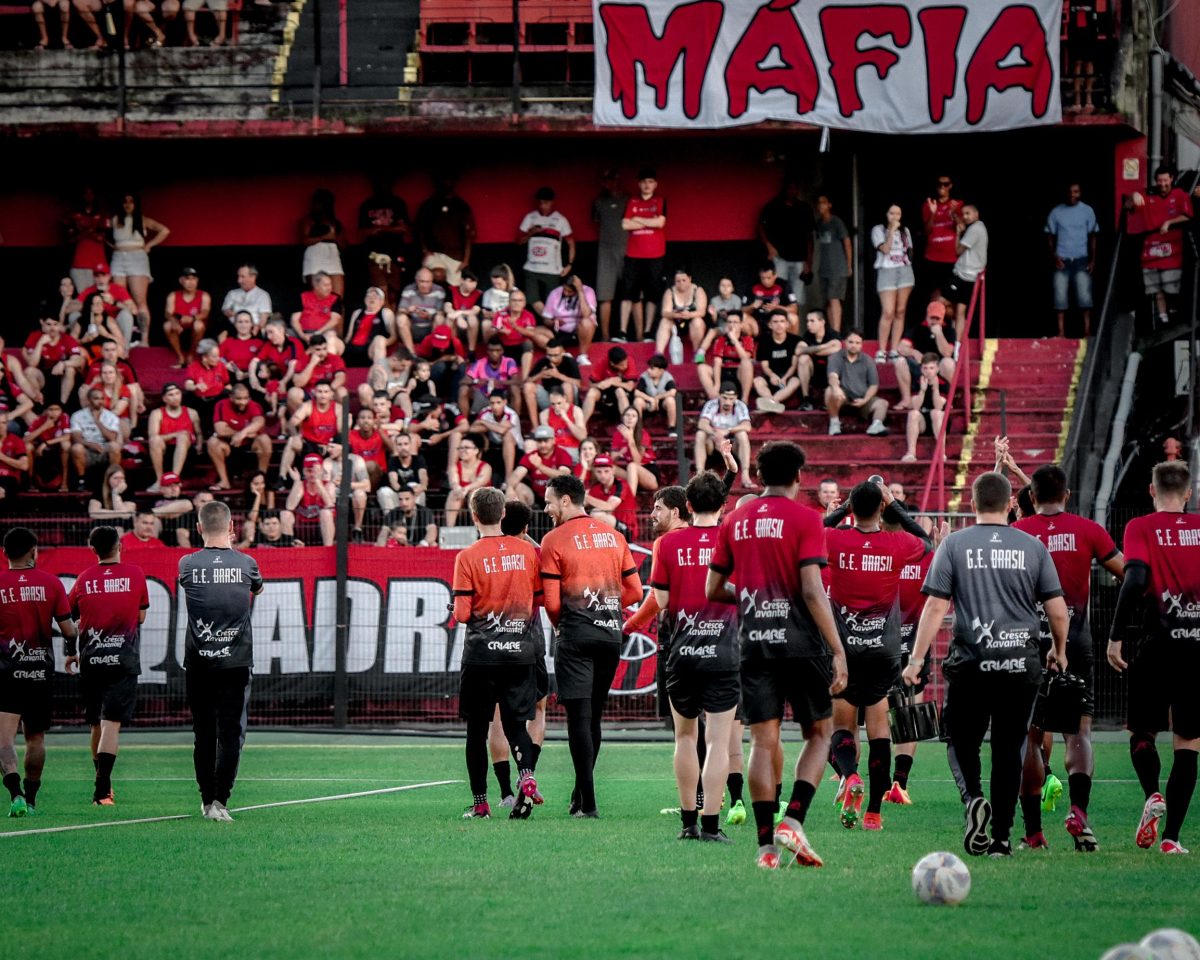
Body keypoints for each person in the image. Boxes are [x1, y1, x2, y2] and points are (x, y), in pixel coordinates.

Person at [903, 471, 1069, 858]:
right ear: (1011, 504)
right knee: (1009, 748)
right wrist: (1059, 651)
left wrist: (915, 659)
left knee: (961, 741)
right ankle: (1002, 839)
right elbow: (1057, 610)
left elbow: (935, 606)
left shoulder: (955, 545)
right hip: (1021, 664)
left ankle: (974, 799)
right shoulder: (1033, 547)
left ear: (973, 505)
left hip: (972, 663)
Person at [705, 441, 849, 869]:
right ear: (799, 476)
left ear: (761, 475)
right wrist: (838, 650)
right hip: (802, 644)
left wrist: (748, 597)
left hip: (754, 644)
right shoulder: (807, 518)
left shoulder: (735, 520)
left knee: (762, 742)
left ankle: (766, 848)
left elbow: (713, 588)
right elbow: (811, 589)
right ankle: (795, 819)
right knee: (820, 734)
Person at [1012, 463, 1124, 850]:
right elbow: (1128, 572)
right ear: (1067, 496)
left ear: (1030, 497)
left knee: (1030, 736)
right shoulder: (1088, 530)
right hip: (1075, 641)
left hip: (1028, 644)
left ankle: (1033, 833)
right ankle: (1078, 813)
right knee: (1078, 731)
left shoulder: (1018, 534)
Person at [822, 481, 930, 831]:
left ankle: (851, 775)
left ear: (852, 508)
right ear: (881, 508)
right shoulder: (896, 543)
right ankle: (873, 812)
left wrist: (841, 511)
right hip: (884, 651)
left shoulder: (835, 539)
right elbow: (926, 542)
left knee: (841, 726)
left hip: (845, 649)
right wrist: (894, 503)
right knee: (880, 730)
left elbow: (817, 531)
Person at [1107, 460, 1200, 855]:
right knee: (1188, 742)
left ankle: (1152, 794)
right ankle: (1171, 838)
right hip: (1196, 651)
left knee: (1142, 733)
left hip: (1155, 645)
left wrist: (1115, 636)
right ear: (1189, 493)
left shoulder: (1140, 527)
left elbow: (1137, 578)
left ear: (1151, 490)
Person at [540, 474, 643, 817]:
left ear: (566, 501)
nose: (546, 507)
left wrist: (564, 627)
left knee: (578, 720)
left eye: (549, 500)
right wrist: (607, 608)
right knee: (594, 717)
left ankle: (590, 804)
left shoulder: (553, 539)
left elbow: (552, 604)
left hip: (576, 635)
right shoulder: (614, 537)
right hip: (610, 636)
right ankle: (579, 797)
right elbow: (635, 593)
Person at [650, 472, 740, 843]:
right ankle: (712, 826)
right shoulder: (733, 540)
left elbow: (662, 602)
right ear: (724, 506)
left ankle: (688, 824)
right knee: (719, 742)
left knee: (685, 738)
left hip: (682, 652)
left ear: (687, 506)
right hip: (723, 653)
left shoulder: (667, 545)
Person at [454, 487, 544, 820]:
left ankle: (481, 804)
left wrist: (459, 607)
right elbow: (541, 599)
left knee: (476, 731)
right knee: (516, 726)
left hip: (481, 656)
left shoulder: (467, 556)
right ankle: (527, 777)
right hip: (520, 653)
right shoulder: (527, 553)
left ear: (474, 516)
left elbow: (463, 614)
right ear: (503, 514)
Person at [178, 501, 263, 822]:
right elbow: (259, 587)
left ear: (199, 528)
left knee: (204, 733)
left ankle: (205, 799)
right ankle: (220, 801)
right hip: (236, 662)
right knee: (231, 733)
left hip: (198, 662)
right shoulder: (247, 563)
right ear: (232, 528)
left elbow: (189, 585)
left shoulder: (186, 563)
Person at [65, 525, 149, 806]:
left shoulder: (83, 578)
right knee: (111, 725)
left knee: (96, 725)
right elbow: (141, 617)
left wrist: (71, 649)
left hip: (91, 661)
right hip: (121, 660)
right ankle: (102, 791)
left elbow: (68, 617)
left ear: (93, 550)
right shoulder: (135, 574)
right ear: (120, 546)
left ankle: (104, 784)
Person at [0, 527, 76, 818]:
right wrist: (72, 645)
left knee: (4, 740)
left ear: (5, 553)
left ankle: (14, 793)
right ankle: (31, 799)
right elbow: (69, 629)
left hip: (6, 671)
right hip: (40, 672)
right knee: (36, 738)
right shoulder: (51, 583)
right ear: (34, 552)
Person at [1128, 167, 1194, 329]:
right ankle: (1162, 319)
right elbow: (1128, 205)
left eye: (1165, 180)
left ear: (1171, 179)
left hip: (1172, 250)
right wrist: (1133, 195)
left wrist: (1169, 222)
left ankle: (1173, 315)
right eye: (1159, 180)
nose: (1162, 184)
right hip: (1150, 250)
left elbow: (1187, 215)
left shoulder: (1180, 195)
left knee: (1171, 287)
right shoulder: (1147, 193)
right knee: (1156, 290)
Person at [110, 193, 170, 346]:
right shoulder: (115, 219)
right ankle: (121, 337)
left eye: (131, 202)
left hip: (137, 257)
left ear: (136, 204)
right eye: (125, 202)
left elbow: (164, 230)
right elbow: (100, 234)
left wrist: (149, 245)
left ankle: (144, 339)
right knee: (119, 299)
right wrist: (112, 247)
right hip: (118, 258)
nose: (128, 205)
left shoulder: (142, 219)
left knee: (140, 300)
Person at [618, 168, 667, 342]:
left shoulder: (660, 200)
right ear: (639, 184)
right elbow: (624, 224)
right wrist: (649, 221)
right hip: (633, 254)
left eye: (650, 181)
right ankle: (622, 332)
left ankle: (647, 333)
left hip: (655, 254)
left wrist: (637, 219)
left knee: (652, 294)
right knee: (628, 293)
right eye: (644, 181)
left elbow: (660, 222)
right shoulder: (632, 200)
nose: (647, 185)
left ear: (655, 184)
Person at [1045, 183, 1099, 337]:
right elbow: (1049, 234)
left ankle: (1087, 332)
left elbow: (1093, 235)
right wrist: (1054, 256)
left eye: (1075, 192)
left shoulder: (1087, 211)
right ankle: (1061, 333)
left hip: (1081, 259)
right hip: (1062, 260)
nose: (1072, 195)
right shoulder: (1056, 212)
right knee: (1060, 297)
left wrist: (1093, 260)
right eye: (1069, 192)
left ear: (1080, 193)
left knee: (1085, 297)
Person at [758, 177, 815, 307]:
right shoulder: (773, 206)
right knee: (778, 291)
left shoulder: (804, 208)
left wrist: (809, 262)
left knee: (797, 295)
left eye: (795, 188)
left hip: (800, 258)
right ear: (784, 190)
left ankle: (796, 324)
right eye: (790, 188)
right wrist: (769, 247)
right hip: (779, 257)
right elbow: (761, 226)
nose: (792, 191)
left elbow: (809, 237)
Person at [518, 186, 576, 314]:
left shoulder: (560, 219)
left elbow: (571, 243)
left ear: (552, 202)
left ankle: (551, 325)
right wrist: (531, 233)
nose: (543, 206)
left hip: (552, 269)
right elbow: (519, 241)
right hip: (532, 268)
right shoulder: (530, 217)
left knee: (553, 302)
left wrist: (569, 264)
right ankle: (550, 322)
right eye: (540, 202)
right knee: (533, 300)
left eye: (546, 203)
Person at [358, 176, 414, 307]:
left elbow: (404, 228)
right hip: (374, 254)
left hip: (396, 253)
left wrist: (380, 228)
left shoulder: (398, 203)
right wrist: (391, 229)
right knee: (381, 292)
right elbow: (363, 232)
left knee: (394, 293)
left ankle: (392, 323)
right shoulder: (367, 205)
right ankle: (387, 325)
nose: (382, 185)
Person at [871, 204, 915, 362]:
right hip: (886, 270)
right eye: (892, 213)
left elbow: (910, 250)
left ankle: (894, 349)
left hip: (904, 271)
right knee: (888, 311)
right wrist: (891, 231)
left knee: (900, 310)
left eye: (898, 214)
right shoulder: (878, 230)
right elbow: (885, 249)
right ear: (886, 214)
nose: (895, 217)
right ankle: (882, 350)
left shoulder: (905, 231)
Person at [893, 299, 956, 410]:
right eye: (932, 318)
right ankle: (906, 400)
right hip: (921, 367)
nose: (934, 321)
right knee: (900, 362)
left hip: (938, 368)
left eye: (938, 319)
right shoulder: (918, 328)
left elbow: (947, 352)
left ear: (942, 319)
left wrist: (939, 334)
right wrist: (913, 352)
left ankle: (948, 399)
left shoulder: (949, 330)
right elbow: (901, 348)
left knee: (949, 363)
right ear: (927, 316)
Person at [208, 383, 270, 492]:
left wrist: (242, 434)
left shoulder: (254, 405)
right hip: (229, 446)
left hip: (249, 447)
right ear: (231, 397)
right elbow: (220, 429)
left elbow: (259, 422)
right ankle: (224, 481)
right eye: (239, 399)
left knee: (264, 439)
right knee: (212, 442)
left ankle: (261, 479)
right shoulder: (221, 404)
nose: (243, 402)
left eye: (246, 398)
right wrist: (242, 433)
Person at [826, 330, 888, 437]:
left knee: (883, 404)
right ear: (845, 342)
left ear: (862, 344)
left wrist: (865, 400)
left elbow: (874, 385)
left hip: (862, 397)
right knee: (829, 391)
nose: (854, 345)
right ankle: (834, 423)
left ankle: (876, 425)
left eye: (857, 343)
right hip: (842, 398)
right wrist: (835, 388)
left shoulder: (868, 360)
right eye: (851, 342)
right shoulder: (835, 357)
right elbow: (832, 376)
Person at [416, 174, 476, 285]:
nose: (445, 184)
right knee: (434, 278)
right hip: (434, 253)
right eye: (442, 181)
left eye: (449, 181)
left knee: (455, 286)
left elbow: (469, 235)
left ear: (454, 183)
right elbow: (420, 230)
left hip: (455, 254)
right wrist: (425, 250)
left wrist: (466, 260)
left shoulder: (461, 206)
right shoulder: (428, 205)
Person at [592, 169, 629, 340]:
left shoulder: (628, 200)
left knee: (632, 294)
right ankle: (605, 337)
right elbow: (595, 220)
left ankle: (633, 334)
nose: (609, 183)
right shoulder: (599, 202)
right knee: (605, 295)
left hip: (629, 249)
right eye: (605, 180)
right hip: (605, 251)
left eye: (612, 179)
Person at [695, 383, 753, 490]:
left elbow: (747, 426)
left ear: (736, 398)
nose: (727, 402)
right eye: (724, 398)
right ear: (719, 396)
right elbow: (702, 423)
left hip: (732, 445)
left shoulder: (740, 405)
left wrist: (728, 431)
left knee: (743, 435)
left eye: (731, 399)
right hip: (713, 444)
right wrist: (715, 434)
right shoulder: (711, 404)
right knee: (700, 434)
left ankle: (745, 475)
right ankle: (699, 475)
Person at [146, 383, 201, 493]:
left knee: (183, 437)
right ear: (164, 398)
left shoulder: (191, 412)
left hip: (186, 454)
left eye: (177, 393)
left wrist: (200, 445)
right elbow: (153, 436)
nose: (175, 397)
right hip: (165, 452)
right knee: (155, 440)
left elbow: (199, 433)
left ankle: (173, 480)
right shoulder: (157, 413)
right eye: (171, 395)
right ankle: (159, 480)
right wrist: (176, 434)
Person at [946, 203, 988, 343]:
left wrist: (958, 233)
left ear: (976, 214)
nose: (965, 216)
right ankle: (957, 342)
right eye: (963, 214)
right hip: (968, 276)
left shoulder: (976, 229)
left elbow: (958, 250)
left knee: (940, 303)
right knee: (959, 311)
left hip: (964, 276)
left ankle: (955, 340)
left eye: (968, 213)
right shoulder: (976, 228)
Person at [70, 386, 123, 489]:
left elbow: (112, 437)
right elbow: (76, 438)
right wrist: (90, 445)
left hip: (104, 449)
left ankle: (114, 478)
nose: (100, 401)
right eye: (96, 398)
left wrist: (97, 421)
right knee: (76, 448)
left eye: (102, 398)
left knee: (115, 446)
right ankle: (82, 480)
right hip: (87, 450)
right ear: (89, 400)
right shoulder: (77, 415)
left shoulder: (111, 416)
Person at [901, 354, 950, 462]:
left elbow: (939, 406)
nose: (928, 371)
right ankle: (911, 453)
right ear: (921, 369)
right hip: (922, 421)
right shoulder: (917, 382)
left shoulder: (944, 383)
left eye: (931, 368)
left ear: (937, 369)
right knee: (913, 414)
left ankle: (941, 453)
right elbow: (915, 406)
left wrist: (935, 389)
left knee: (936, 413)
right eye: (925, 368)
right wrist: (922, 390)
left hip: (939, 421)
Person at [507, 426, 571, 509]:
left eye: (546, 441)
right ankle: (526, 519)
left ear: (553, 440)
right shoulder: (532, 456)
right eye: (539, 441)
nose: (542, 444)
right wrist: (510, 487)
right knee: (517, 486)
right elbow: (517, 474)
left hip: (556, 495)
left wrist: (540, 466)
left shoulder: (562, 454)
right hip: (536, 496)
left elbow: (564, 476)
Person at [539, 275, 597, 366]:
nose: (566, 293)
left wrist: (580, 292)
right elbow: (546, 320)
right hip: (559, 330)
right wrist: (554, 322)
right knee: (535, 331)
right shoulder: (555, 293)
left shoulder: (588, 292)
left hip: (579, 333)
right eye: (564, 289)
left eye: (569, 291)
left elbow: (586, 314)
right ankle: (564, 354)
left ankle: (582, 356)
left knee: (587, 322)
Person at [921, 174, 963, 296]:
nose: (942, 187)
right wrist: (933, 213)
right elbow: (926, 232)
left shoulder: (958, 204)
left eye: (945, 184)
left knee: (951, 298)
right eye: (939, 184)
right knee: (933, 297)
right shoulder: (928, 205)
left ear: (951, 186)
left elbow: (963, 229)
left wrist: (954, 213)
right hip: (932, 258)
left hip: (952, 258)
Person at [814, 196, 852, 333]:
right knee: (828, 301)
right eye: (819, 203)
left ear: (829, 205)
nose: (821, 206)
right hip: (824, 268)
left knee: (834, 298)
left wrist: (849, 265)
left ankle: (836, 332)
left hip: (838, 267)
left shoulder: (836, 222)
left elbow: (847, 242)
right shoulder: (819, 224)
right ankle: (832, 331)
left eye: (824, 203)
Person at [752, 309, 801, 414]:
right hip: (771, 376)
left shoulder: (795, 340)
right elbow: (764, 365)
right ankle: (772, 402)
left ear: (787, 324)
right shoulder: (764, 341)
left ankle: (772, 402)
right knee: (757, 381)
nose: (779, 325)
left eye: (782, 321)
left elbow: (794, 365)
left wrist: (785, 378)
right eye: (775, 322)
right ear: (770, 325)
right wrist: (772, 375)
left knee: (796, 381)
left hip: (787, 376)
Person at [523, 338, 581, 423]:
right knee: (528, 386)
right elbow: (527, 380)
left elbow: (579, 384)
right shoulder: (543, 362)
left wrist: (558, 375)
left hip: (566, 399)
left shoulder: (569, 361)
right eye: (549, 355)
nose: (552, 358)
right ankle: (535, 426)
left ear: (562, 352)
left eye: (556, 355)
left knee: (567, 385)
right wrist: (540, 375)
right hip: (550, 399)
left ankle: (568, 420)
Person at [699, 313, 754, 403]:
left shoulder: (747, 339)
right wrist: (717, 384)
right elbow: (717, 362)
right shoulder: (720, 340)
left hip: (739, 372)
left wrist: (735, 340)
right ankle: (713, 397)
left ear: (741, 325)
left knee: (747, 363)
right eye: (729, 322)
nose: (732, 325)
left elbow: (745, 357)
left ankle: (745, 399)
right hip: (723, 371)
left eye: (735, 322)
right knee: (702, 367)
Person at [300, 189, 346, 297]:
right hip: (315, 257)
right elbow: (305, 241)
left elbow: (344, 245)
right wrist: (324, 237)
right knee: (318, 295)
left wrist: (335, 239)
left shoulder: (336, 222)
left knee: (337, 297)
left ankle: (336, 314)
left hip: (333, 256)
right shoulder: (309, 220)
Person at [655, 268, 708, 359]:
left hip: (692, 323)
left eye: (684, 280)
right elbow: (664, 312)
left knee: (698, 322)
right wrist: (676, 315)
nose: (681, 283)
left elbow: (702, 312)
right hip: (676, 322)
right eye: (678, 281)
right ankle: (659, 353)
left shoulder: (698, 290)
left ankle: (697, 352)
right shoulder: (670, 291)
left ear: (690, 279)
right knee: (665, 321)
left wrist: (689, 315)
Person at [164, 267, 211, 367]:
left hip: (195, 323)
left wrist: (193, 318)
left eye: (194, 279)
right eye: (187, 279)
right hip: (179, 323)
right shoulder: (173, 295)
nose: (191, 282)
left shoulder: (204, 295)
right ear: (181, 281)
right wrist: (174, 322)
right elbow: (168, 313)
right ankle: (180, 356)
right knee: (167, 325)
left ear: (197, 281)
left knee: (198, 325)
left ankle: (191, 355)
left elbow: (205, 312)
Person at [794, 309, 841, 411]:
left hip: (830, 373)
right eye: (807, 321)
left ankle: (829, 398)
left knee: (834, 358)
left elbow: (836, 348)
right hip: (813, 373)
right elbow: (798, 351)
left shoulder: (832, 334)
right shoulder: (808, 335)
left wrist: (811, 350)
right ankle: (806, 399)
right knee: (803, 359)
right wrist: (825, 346)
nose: (808, 324)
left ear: (822, 322)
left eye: (812, 321)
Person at [396, 268, 447, 355]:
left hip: (431, 327)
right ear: (416, 280)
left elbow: (441, 313)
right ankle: (411, 354)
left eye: (428, 282)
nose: (425, 285)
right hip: (413, 327)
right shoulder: (409, 289)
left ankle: (433, 352)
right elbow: (400, 310)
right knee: (401, 318)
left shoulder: (439, 290)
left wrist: (429, 316)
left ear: (432, 281)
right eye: (422, 281)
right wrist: (408, 310)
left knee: (440, 319)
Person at [580, 346, 636, 425]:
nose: (625, 366)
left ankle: (627, 426)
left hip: (624, 395)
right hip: (605, 394)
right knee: (591, 393)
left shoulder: (629, 360)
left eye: (625, 363)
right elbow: (591, 384)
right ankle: (582, 425)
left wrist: (611, 381)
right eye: (621, 365)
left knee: (619, 391)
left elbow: (630, 387)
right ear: (612, 363)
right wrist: (602, 384)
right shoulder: (603, 362)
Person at [291, 272, 345, 352]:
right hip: (303, 333)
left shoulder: (335, 298)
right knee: (283, 334)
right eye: (325, 285)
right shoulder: (303, 296)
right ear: (316, 286)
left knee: (330, 337)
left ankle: (328, 363)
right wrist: (302, 335)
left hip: (324, 332)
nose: (329, 288)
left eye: (330, 284)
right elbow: (294, 320)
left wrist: (318, 333)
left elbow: (335, 320)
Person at [633, 353, 678, 438]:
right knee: (637, 401)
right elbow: (637, 392)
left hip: (661, 403)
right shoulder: (644, 376)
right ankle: (638, 429)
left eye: (652, 368)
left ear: (661, 371)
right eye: (649, 367)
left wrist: (657, 398)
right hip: (648, 402)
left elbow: (673, 391)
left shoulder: (667, 377)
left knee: (670, 401)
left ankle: (672, 428)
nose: (649, 370)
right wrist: (651, 399)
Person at [221, 265, 273, 332]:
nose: (239, 280)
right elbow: (225, 310)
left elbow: (263, 320)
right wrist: (234, 315)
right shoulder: (232, 293)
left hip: (254, 331)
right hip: (232, 329)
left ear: (253, 277)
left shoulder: (263, 295)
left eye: (242, 277)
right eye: (238, 276)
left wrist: (254, 330)